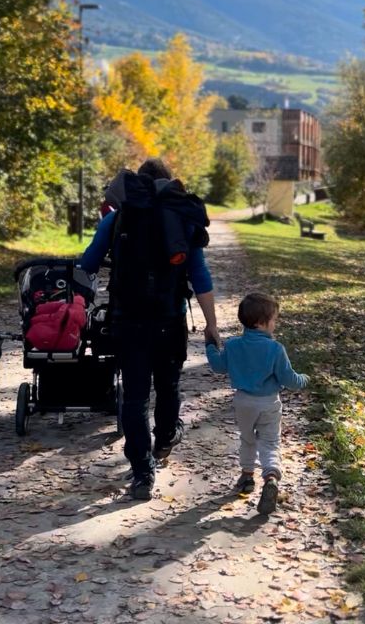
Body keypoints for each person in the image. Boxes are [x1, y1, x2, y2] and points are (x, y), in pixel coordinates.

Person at [81, 158, 219, 500]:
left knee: (136, 395)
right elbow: (199, 276)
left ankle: (142, 473)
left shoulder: (116, 220)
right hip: (169, 320)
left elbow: (87, 264)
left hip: (128, 321)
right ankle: (165, 441)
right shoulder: (182, 221)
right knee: (168, 386)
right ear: (169, 184)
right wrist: (212, 324)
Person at [204, 291, 308, 515]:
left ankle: (247, 477)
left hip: (243, 402)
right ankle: (270, 477)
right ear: (262, 323)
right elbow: (288, 379)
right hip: (269, 402)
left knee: (248, 439)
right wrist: (303, 380)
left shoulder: (232, 346)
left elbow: (219, 366)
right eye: (274, 320)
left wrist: (211, 347)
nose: (275, 325)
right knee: (269, 442)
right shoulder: (275, 349)